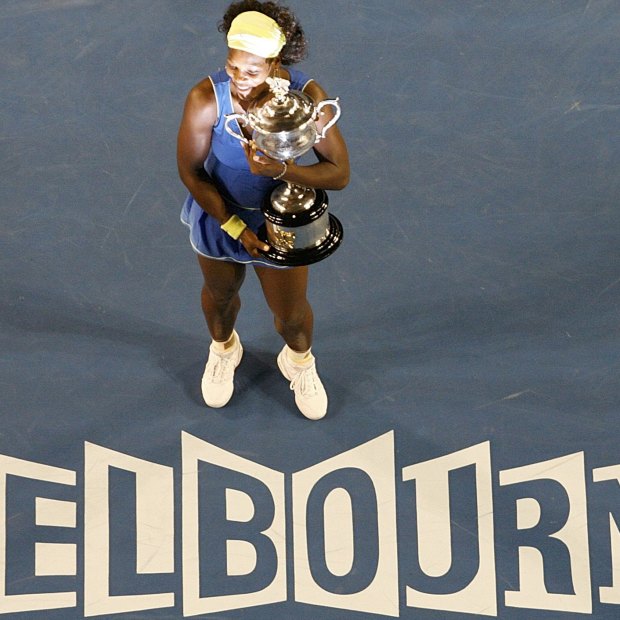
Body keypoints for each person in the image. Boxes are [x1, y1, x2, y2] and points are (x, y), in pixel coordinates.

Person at [177, 0, 349, 420]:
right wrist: (234, 225)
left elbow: (339, 173)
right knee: (220, 298)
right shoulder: (206, 99)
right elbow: (191, 172)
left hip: (283, 224)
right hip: (220, 212)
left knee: (290, 317)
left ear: (274, 64)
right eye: (233, 67)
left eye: (251, 71)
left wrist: (284, 170)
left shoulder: (307, 98)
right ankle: (224, 349)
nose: (238, 79)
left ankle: (299, 362)